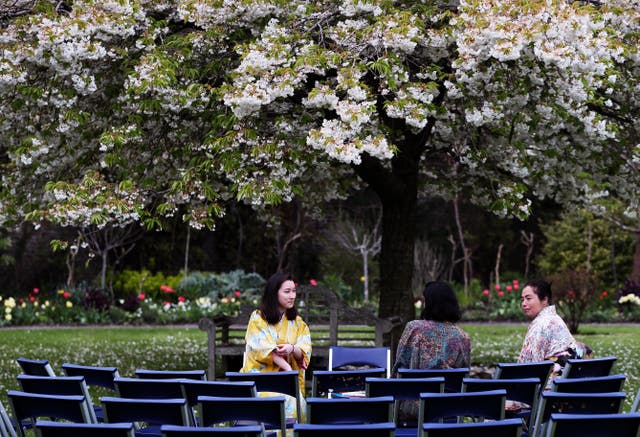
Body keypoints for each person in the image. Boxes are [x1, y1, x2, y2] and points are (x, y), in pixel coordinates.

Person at [391, 281, 471, 420]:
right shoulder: (463, 337)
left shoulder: (414, 328)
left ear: (429, 303)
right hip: (447, 409)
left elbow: (400, 367)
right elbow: (462, 377)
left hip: (413, 409)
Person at [240, 272, 312, 423]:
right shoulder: (258, 318)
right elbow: (265, 349)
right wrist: (289, 371)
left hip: (287, 383)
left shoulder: (298, 322)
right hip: (260, 382)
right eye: (287, 291)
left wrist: (292, 348)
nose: (292, 296)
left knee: (300, 405)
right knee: (289, 402)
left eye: (293, 291)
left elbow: (304, 349)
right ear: (274, 293)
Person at [518, 279, 591, 379]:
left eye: (528, 298)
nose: (524, 303)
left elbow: (528, 367)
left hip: (548, 389)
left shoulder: (540, 325)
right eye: (522, 299)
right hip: (568, 384)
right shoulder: (556, 319)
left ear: (544, 300)